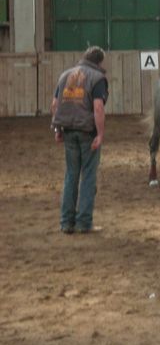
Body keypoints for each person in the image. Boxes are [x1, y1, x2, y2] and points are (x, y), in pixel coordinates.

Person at [51, 46, 109, 234]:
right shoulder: (98, 78)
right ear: (99, 62)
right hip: (87, 131)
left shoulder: (65, 75)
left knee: (71, 175)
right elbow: (98, 107)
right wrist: (100, 134)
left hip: (68, 130)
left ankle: (66, 222)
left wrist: (58, 128)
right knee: (88, 177)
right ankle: (84, 222)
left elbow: (55, 104)